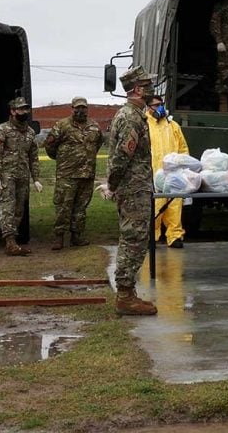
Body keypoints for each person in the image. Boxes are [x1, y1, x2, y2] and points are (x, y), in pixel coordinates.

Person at [98, 65, 157, 315]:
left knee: (134, 238)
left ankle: (128, 292)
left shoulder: (133, 115)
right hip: (133, 189)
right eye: (147, 85)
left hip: (135, 187)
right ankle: (124, 296)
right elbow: (123, 156)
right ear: (137, 89)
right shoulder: (131, 117)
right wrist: (112, 184)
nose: (152, 90)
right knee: (134, 239)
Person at [43, 96, 104, 250]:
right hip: (67, 175)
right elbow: (50, 146)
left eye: (83, 108)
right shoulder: (62, 125)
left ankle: (77, 236)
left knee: (81, 207)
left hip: (87, 175)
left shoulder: (95, 126)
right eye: (77, 108)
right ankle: (59, 237)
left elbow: (97, 144)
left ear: (87, 109)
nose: (80, 111)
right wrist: (63, 160)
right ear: (72, 108)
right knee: (63, 206)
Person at [0, 96, 43, 257]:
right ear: (13, 111)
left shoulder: (30, 132)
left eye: (26, 109)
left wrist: (36, 179)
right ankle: (10, 242)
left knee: (19, 209)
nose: (24, 112)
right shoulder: (2, 130)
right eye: (20, 109)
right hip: (7, 176)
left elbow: (33, 157)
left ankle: (13, 241)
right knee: (8, 208)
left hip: (22, 176)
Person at [147, 94, 189, 249]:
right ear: (148, 108)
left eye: (161, 104)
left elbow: (183, 148)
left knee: (174, 205)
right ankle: (152, 236)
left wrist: (183, 166)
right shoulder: (144, 125)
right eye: (155, 105)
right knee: (156, 206)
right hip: (152, 174)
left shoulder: (173, 126)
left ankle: (175, 236)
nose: (159, 107)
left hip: (173, 175)